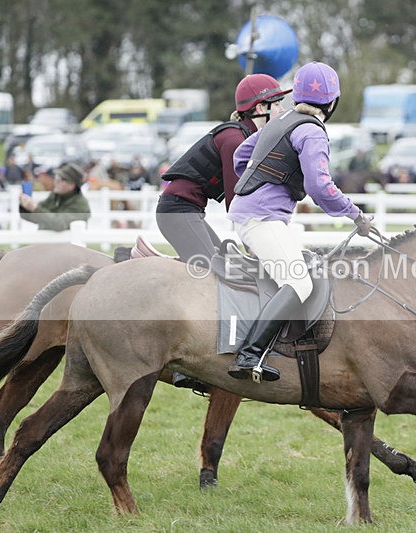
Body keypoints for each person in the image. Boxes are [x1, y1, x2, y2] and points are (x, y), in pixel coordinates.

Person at [226, 61, 372, 382]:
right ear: (332, 102)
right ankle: (249, 356)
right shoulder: (312, 132)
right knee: (299, 282)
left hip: (249, 212)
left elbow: (241, 158)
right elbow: (320, 187)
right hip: (263, 219)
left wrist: (265, 181)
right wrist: (356, 215)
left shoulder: (282, 121)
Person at [156, 73, 291, 269]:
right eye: (277, 103)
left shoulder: (245, 136)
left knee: (228, 265)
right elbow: (236, 200)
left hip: (186, 210)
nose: (282, 109)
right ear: (261, 108)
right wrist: (254, 244)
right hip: (178, 211)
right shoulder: (236, 140)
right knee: (217, 272)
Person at [19, 163, 91, 231]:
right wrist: (25, 205)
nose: (57, 180)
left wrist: (35, 208)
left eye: (63, 179)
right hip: (47, 242)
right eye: (58, 177)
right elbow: (35, 217)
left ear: (72, 185)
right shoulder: (55, 197)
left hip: (67, 244)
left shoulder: (80, 204)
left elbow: (59, 224)